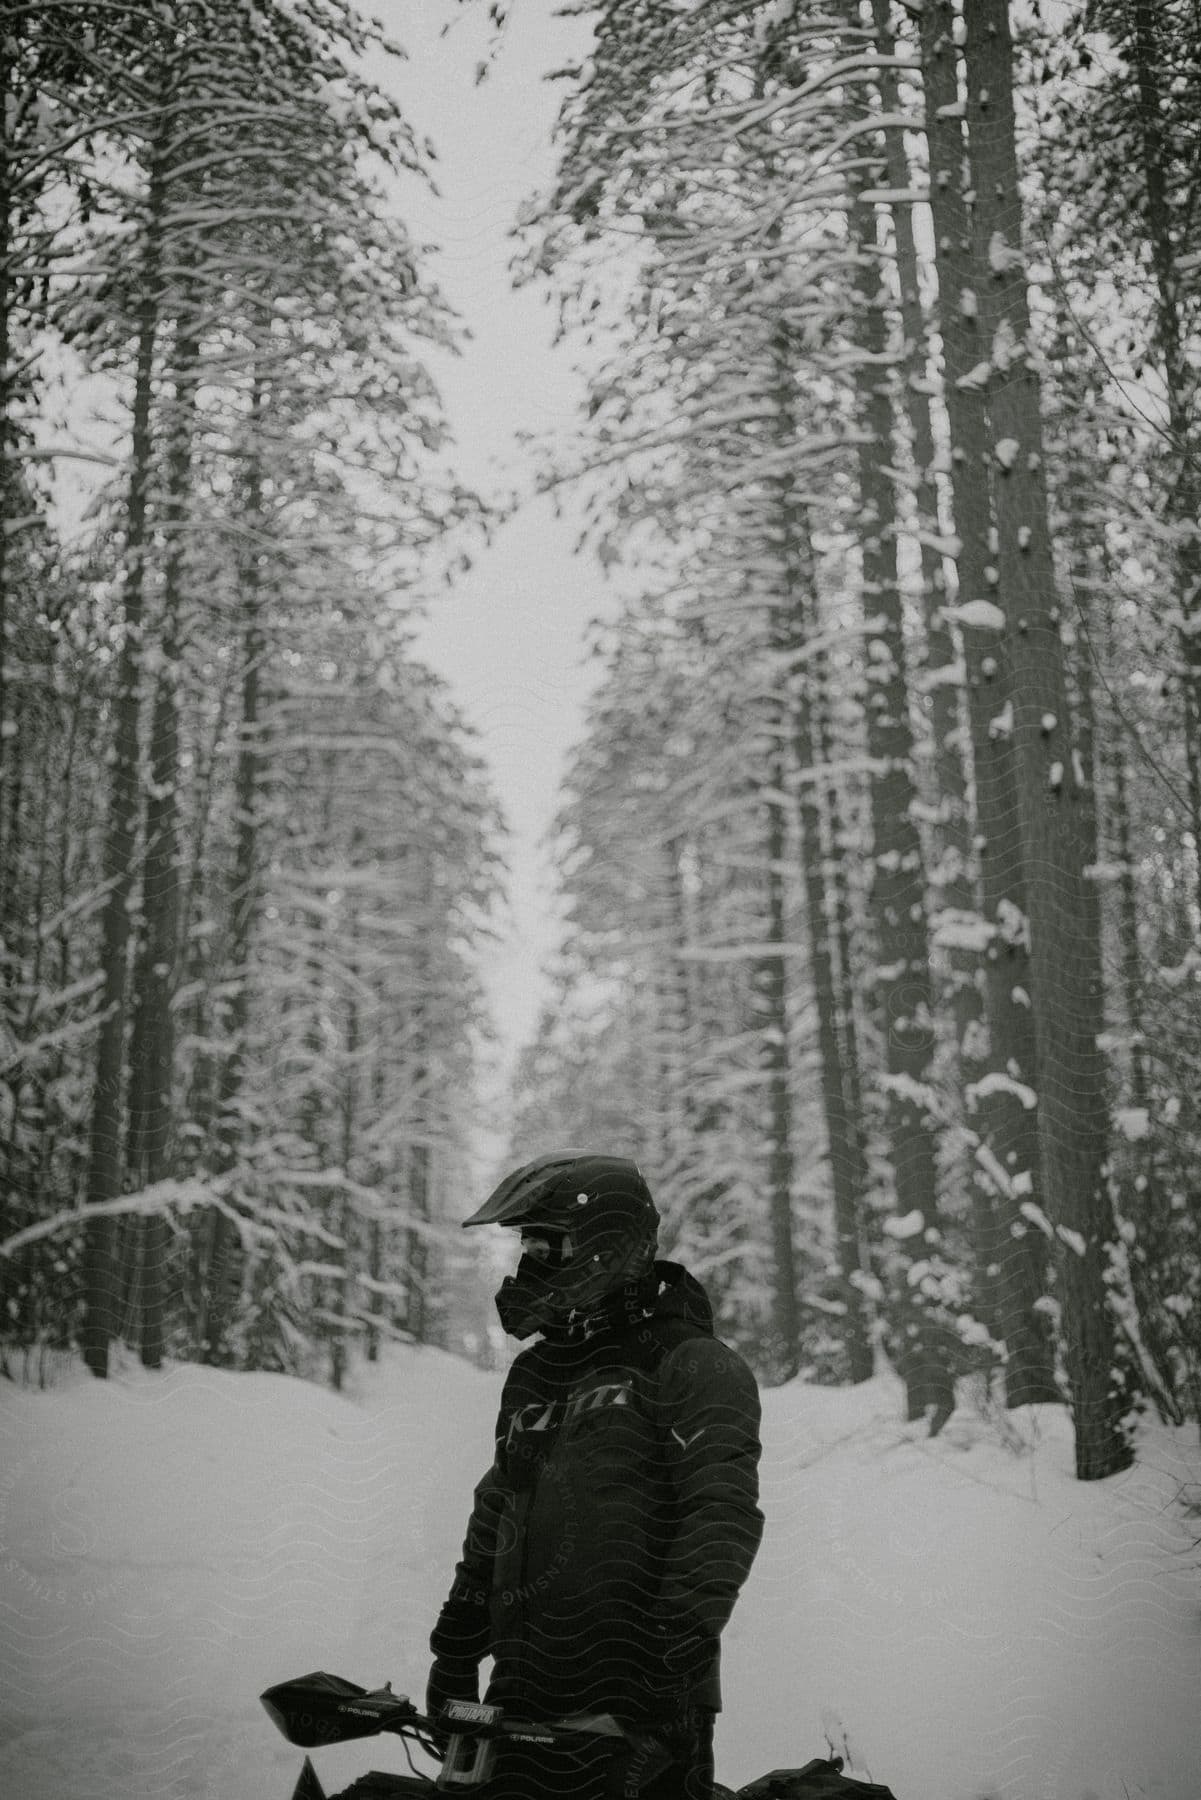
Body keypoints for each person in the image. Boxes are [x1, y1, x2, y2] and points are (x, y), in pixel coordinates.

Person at [427, 1152, 764, 1800]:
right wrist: (456, 1648)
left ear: (604, 1245)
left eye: (547, 1244)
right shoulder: (534, 1374)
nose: (529, 1262)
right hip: (518, 1689)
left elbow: (719, 1520)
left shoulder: (691, 1363)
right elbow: (500, 1505)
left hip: (643, 1703)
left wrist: (660, 1677)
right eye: (526, 1244)